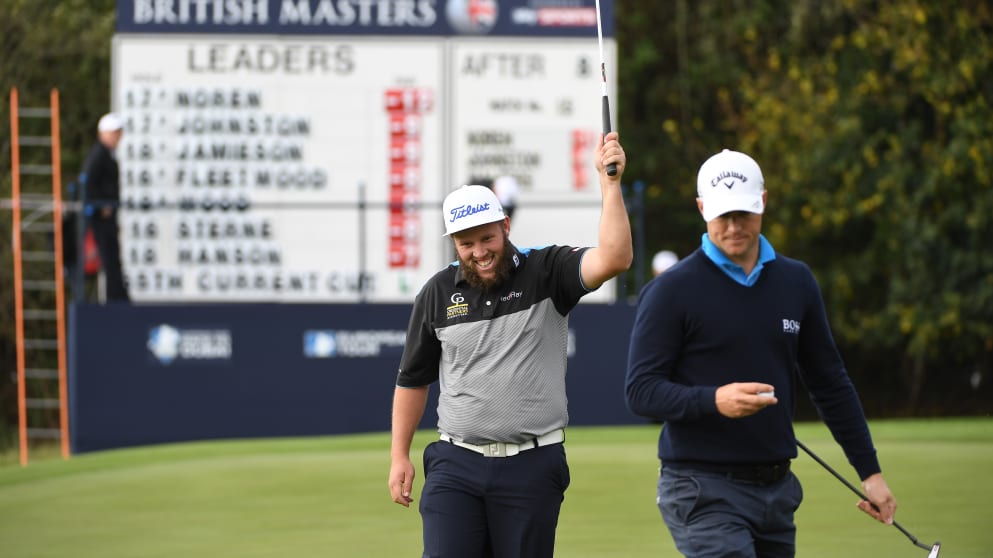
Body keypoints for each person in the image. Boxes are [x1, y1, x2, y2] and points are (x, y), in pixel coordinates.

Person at [625, 149, 896, 557]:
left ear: (763, 203)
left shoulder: (796, 282)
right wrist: (714, 400)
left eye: (744, 214)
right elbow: (641, 392)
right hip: (700, 487)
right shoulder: (671, 291)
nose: (734, 227)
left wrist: (869, 472)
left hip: (777, 491)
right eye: (722, 216)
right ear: (702, 210)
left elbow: (830, 383)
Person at [389, 132, 632, 557]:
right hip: (455, 462)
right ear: (453, 243)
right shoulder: (436, 292)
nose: (479, 252)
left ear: (505, 226)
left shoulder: (547, 270)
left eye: (487, 238)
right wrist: (399, 455)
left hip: (531, 465)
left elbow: (614, 258)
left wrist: (609, 184)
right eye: (466, 243)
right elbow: (413, 380)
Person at [81, 112, 129, 302]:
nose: (119, 137)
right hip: (100, 220)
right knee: (106, 259)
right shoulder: (98, 154)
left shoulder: (106, 154)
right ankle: (115, 299)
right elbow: (87, 183)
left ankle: (118, 296)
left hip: (107, 219)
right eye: (116, 132)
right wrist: (101, 206)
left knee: (112, 259)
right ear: (106, 133)